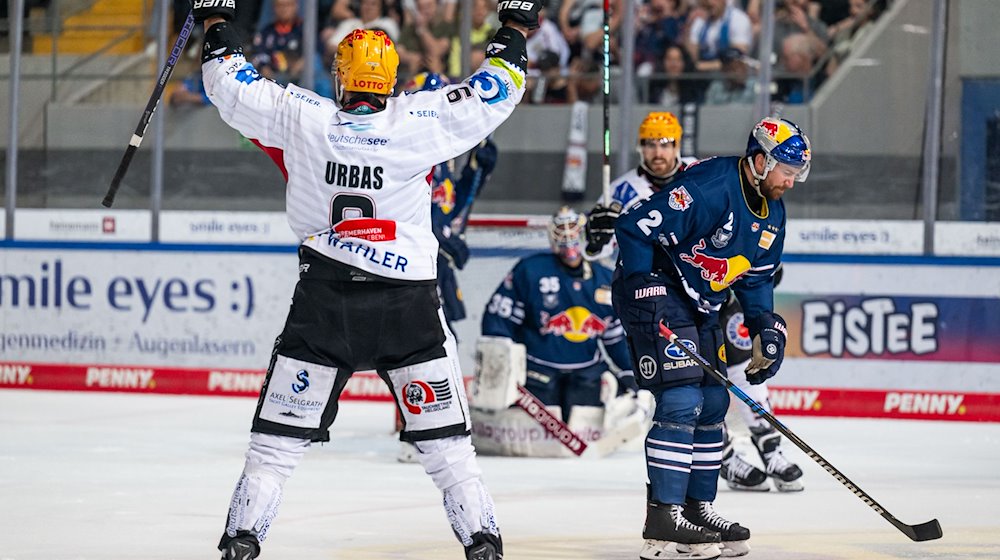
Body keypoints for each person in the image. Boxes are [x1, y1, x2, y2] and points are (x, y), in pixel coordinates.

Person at [191, 0, 541, 557]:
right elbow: (498, 86)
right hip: (408, 312)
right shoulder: (419, 120)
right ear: (392, 80)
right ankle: (482, 542)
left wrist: (217, 20)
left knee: (275, 446)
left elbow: (226, 79)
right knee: (448, 449)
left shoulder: (301, 115)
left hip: (325, 304)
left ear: (339, 78)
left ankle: (241, 539)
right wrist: (517, 26)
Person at [612, 117, 812, 559]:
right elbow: (634, 227)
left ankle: (696, 509)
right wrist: (644, 288)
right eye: (785, 170)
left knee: (715, 401)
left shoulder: (773, 212)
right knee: (682, 397)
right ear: (759, 161)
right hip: (656, 287)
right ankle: (663, 517)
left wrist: (766, 327)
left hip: (700, 304)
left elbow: (757, 280)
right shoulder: (710, 185)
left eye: (796, 174)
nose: (790, 182)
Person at [476, 207, 643, 455]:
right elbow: (498, 318)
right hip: (537, 370)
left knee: (589, 413)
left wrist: (633, 375)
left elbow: (615, 338)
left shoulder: (606, 279)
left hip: (586, 371)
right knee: (533, 438)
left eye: (573, 234)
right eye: (562, 234)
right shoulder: (530, 270)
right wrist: (502, 362)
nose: (569, 242)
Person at [718, 264, 805, 493]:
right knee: (701, 388)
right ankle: (723, 458)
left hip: (724, 302)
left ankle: (770, 449)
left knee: (747, 368)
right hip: (686, 303)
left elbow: (772, 271)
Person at [584, 111, 696, 263]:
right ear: (641, 147)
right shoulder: (620, 192)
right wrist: (595, 241)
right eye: (651, 144)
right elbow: (595, 252)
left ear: (677, 146)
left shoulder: (698, 171)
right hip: (653, 277)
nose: (658, 153)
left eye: (665, 144)